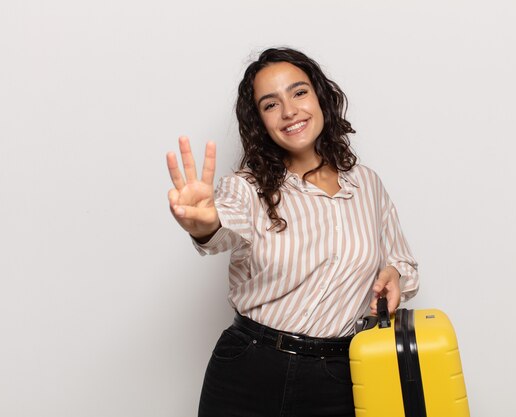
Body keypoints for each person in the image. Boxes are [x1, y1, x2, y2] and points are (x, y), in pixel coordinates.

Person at [166, 47, 418, 417]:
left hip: (338, 375)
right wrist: (204, 224)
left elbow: (403, 263)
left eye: (299, 92)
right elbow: (222, 230)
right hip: (248, 369)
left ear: (320, 97)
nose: (288, 111)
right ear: (260, 122)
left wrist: (394, 275)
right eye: (270, 104)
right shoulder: (246, 188)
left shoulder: (367, 185)